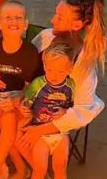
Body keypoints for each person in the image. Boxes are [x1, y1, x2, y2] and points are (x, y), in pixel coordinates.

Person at [17, 0, 107, 175]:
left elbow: (80, 110)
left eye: (59, 17)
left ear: (77, 24)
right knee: (4, 120)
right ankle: (38, 171)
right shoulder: (46, 37)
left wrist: (40, 130)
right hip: (33, 104)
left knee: (15, 132)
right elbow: (24, 67)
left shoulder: (83, 64)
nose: (52, 20)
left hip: (60, 116)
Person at [0, 1, 39, 179]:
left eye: (18, 18)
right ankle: (4, 167)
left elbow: (29, 88)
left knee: (9, 118)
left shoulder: (30, 52)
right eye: (8, 17)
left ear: (25, 25)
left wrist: (16, 100)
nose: (13, 21)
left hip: (21, 99)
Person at [18, 38, 78, 179]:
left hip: (60, 132)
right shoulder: (38, 83)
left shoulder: (71, 86)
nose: (54, 75)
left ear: (70, 69)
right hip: (40, 134)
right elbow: (26, 102)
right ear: (44, 66)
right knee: (40, 168)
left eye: (59, 71)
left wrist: (65, 112)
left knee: (60, 167)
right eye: (50, 70)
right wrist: (24, 107)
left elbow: (76, 108)